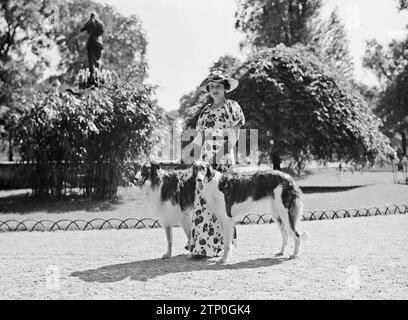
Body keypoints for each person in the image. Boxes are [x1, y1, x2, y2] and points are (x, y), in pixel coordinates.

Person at [183, 70, 245, 258]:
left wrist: (217, 157)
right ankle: (202, 247)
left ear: (225, 88)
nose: (215, 89)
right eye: (212, 86)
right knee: (202, 203)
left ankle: (224, 246)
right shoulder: (205, 112)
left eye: (219, 86)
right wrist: (189, 151)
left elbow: (234, 135)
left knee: (223, 206)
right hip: (204, 163)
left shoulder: (232, 107)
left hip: (223, 161)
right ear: (208, 90)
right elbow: (200, 137)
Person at [80, 12, 104, 84]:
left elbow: (82, 29)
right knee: (98, 59)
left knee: (91, 60)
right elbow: (102, 31)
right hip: (99, 43)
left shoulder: (90, 22)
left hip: (92, 42)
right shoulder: (100, 23)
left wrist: (86, 29)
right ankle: (98, 74)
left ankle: (92, 75)